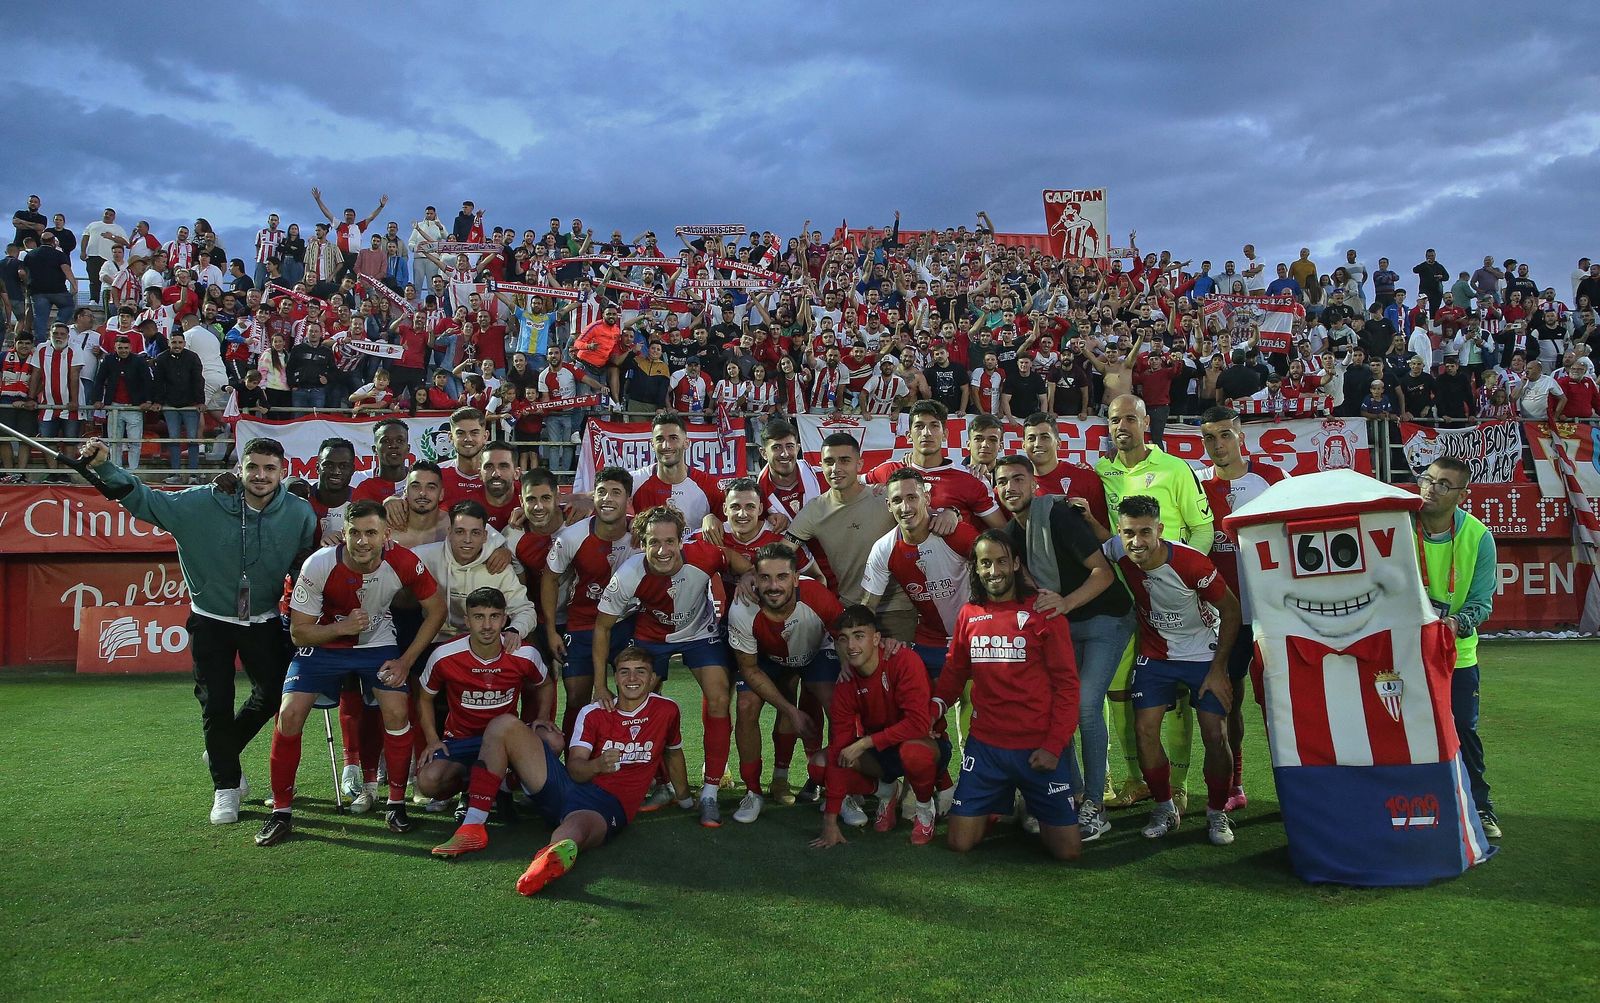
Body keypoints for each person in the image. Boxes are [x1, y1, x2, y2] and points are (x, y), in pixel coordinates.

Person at [79, 435, 318, 824]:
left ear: (283, 472)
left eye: (270, 469)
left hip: (264, 620)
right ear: (240, 468)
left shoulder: (299, 513)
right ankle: (226, 788)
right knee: (216, 704)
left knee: (275, 694)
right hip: (211, 620)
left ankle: (222, 748)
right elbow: (144, 499)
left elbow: (302, 565)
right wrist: (105, 465)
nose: (260, 476)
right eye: (253, 467)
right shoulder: (201, 502)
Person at [428, 645, 691, 897]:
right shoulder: (593, 712)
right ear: (616, 676)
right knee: (502, 725)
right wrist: (598, 765)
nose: (632, 678)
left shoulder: (666, 710)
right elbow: (576, 769)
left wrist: (685, 798)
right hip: (569, 786)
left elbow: (673, 751)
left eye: (640, 671)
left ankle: (547, 860)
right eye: (624, 671)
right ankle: (473, 827)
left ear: (653, 677)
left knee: (576, 827)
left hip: (606, 806)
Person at [256, 499, 447, 846]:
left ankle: (396, 804)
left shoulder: (402, 561)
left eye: (371, 533)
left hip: (378, 645)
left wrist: (405, 661)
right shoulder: (319, 564)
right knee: (289, 714)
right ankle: (281, 812)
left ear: (386, 534)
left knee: (395, 709)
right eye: (355, 533)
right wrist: (341, 628)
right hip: (324, 643)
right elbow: (299, 632)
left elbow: (437, 609)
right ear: (343, 534)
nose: (362, 541)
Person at [993, 454, 1130, 839]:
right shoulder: (1012, 532)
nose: (1010, 488)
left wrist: (1065, 603)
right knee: (1058, 707)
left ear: (1034, 483)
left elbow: (1103, 574)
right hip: (1066, 624)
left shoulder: (1058, 514)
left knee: (1086, 705)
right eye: (1003, 482)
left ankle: (1095, 806)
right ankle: (1068, 794)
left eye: (1018, 479)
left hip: (1106, 616)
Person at [592, 505, 750, 826]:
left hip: (700, 633)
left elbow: (736, 561)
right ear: (642, 543)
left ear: (681, 541)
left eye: (669, 542)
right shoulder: (628, 575)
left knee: (719, 698)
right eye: (653, 542)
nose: (662, 550)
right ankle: (663, 785)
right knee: (639, 706)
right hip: (651, 637)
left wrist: (746, 578)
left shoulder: (703, 554)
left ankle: (709, 793)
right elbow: (602, 627)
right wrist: (599, 683)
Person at [931, 531, 1082, 860]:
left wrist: (1053, 747)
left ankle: (1029, 799)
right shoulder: (969, 614)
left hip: (1038, 749)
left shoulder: (1044, 612)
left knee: (1067, 852)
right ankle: (998, 802)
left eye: (1001, 561)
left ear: (1015, 563)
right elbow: (956, 670)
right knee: (959, 842)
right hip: (986, 749)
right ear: (977, 568)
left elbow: (1068, 686)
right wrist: (936, 705)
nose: (994, 570)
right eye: (985, 563)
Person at [1095, 393, 1213, 811]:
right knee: (1121, 692)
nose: (1122, 426)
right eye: (1114, 420)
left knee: (1177, 698)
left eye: (1130, 418)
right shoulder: (1103, 472)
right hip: (1125, 602)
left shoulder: (1175, 468)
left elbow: (1203, 527)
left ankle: (1178, 784)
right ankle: (1135, 779)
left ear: (1145, 422)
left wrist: (1185, 580)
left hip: (1176, 602)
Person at [1107, 496, 1242, 847]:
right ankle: (1165, 807)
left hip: (1203, 653)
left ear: (1160, 531)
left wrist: (1218, 670)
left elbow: (1231, 610)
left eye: (1145, 533)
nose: (1137, 542)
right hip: (1156, 654)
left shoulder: (1191, 562)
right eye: (1129, 533)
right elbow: (1092, 546)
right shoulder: (1117, 550)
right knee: (1145, 729)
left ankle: (1216, 811)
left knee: (1215, 734)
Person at [1196, 406, 1287, 811]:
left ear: (1240, 436)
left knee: (1280, 704)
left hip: (1273, 614)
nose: (1218, 445)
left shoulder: (1273, 479)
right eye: (1209, 438)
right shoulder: (1197, 487)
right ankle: (1234, 785)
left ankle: (1294, 783)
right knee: (1227, 702)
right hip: (1225, 618)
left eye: (1225, 436)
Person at [812, 605, 947, 848]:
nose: (852, 646)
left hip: (923, 743)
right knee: (820, 765)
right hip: (882, 752)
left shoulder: (904, 660)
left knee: (913, 752)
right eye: (845, 639)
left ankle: (925, 809)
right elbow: (838, 748)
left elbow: (918, 724)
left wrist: (864, 742)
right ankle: (886, 791)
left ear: (876, 638)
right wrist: (829, 822)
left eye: (859, 636)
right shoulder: (846, 683)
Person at [726, 542, 842, 823]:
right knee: (745, 705)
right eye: (765, 578)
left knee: (834, 701)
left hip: (815, 652)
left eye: (781, 577)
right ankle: (753, 791)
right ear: (755, 577)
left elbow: (844, 639)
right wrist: (791, 710)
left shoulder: (816, 594)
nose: (773, 586)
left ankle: (842, 789)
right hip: (769, 658)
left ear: (795, 578)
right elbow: (750, 669)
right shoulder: (742, 608)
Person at [1415, 457, 1501, 838]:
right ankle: (1414, 805)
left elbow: (1482, 603)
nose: (1431, 488)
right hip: (1404, 653)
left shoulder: (1479, 537)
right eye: (1428, 479)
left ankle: (1481, 808)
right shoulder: (1400, 524)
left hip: (1456, 655)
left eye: (1444, 484)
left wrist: (1453, 624)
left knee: (1464, 729)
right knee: (1409, 732)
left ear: (1463, 495)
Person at [415, 586, 554, 802]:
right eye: (479, 617)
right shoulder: (444, 655)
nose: (487, 625)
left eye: (494, 617)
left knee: (552, 741)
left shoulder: (524, 653)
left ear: (505, 619)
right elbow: (425, 698)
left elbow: (545, 685)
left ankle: (506, 784)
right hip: (461, 739)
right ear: (467, 620)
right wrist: (432, 740)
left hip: (507, 740)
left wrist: (543, 717)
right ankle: (471, 789)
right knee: (428, 782)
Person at [543, 466, 639, 738]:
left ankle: (642, 763)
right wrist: (551, 631)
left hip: (627, 623)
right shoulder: (571, 537)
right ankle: (574, 760)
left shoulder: (641, 534)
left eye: (616, 493)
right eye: (602, 492)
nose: (607, 498)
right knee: (576, 696)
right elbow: (549, 579)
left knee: (640, 690)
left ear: (628, 498)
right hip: (584, 624)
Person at [864, 400, 1005, 532]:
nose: (926, 433)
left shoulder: (973, 478)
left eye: (934, 425)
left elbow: (1003, 531)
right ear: (908, 435)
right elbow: (851, 484)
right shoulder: (889, 470)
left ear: (945, 435)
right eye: (919, 426)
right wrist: (872, 490)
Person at [415, 500, 538, 648]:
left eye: (475, 533)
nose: (467, 540)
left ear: (485, 536)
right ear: (449, 532)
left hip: (485, 642)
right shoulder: (425, 556)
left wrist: (515, 629)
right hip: (436, 640)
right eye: (460, 532)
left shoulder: (498, 566)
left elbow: (525, 609)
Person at [630, 410, 726, 530]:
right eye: (660, 439)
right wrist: (628, 521)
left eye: (673, 438)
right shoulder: (634, 481)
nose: (666, 446)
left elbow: (732, 528)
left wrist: (712, 518)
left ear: (686, 443)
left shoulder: (709, 486)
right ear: (652, 444)